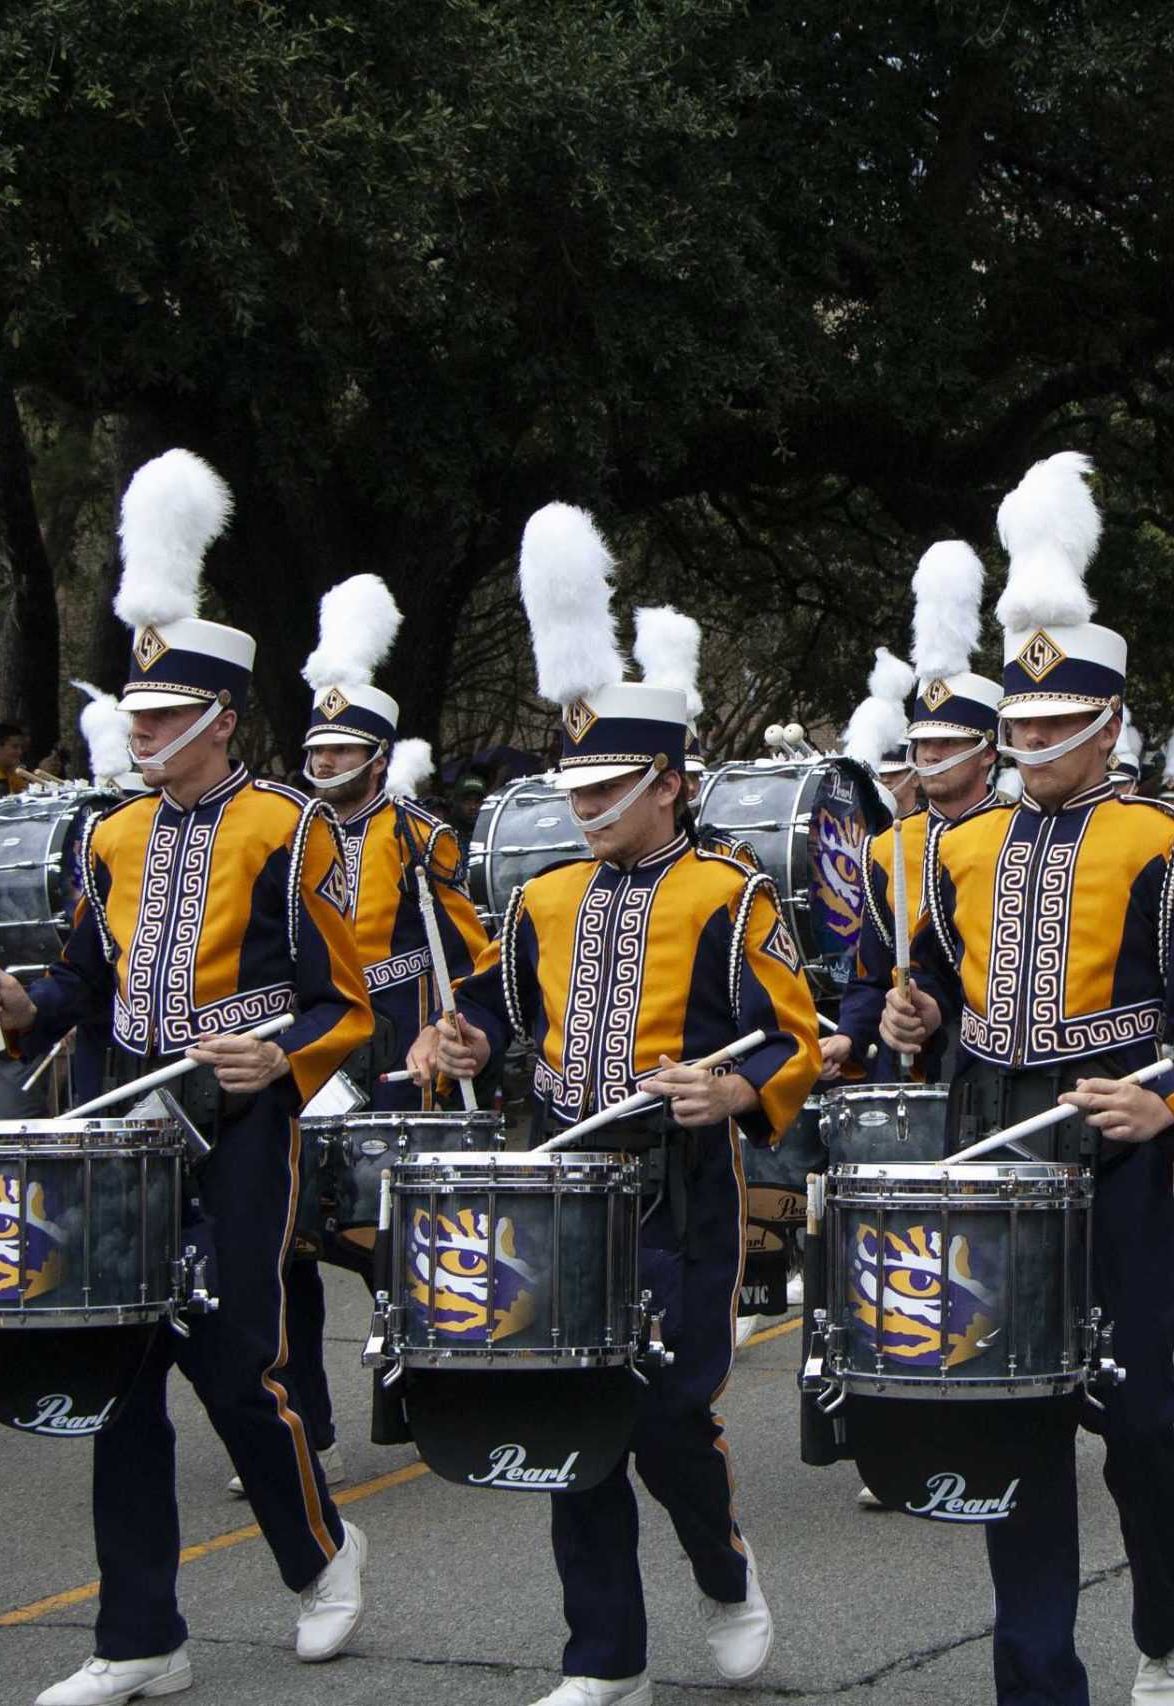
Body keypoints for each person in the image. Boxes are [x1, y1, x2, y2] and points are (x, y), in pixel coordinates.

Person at [0, 452, 375, 1705]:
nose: (134, 733)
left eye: (154, 718)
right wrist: (23, 1000)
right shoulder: (110, 833)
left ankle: (320, 1551)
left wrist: (276, 1058)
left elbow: (341, 1002)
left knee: (232, 1358)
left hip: (241, 1122)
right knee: (117, 1371)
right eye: (133, 717)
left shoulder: (290, 827)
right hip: (126, 1125)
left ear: (216, 721)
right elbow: (85, 978)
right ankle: (140, 1635)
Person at [411, 501, 819, 1706]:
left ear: (670, 784)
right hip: (563, 1183)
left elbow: (796, 1034)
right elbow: (497, 1012)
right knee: (572, 1414)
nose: (585, 804)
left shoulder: (732, 895)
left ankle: (724, 1565)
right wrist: (460, 1032)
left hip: (680, 1185)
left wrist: (730, 1084)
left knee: (666, 1416)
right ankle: (604, 1656)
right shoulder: (536, 898)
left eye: (610, 784)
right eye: (575, 783)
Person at [878, 451, 1174, 1706]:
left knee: (1139, 1416)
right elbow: (929, 994)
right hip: (994, 1140)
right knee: (1014, 1407)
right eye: (1018, 727)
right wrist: (910, 1015)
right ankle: (1038, 1677)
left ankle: (1165, 1615)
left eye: (1052, 728)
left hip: (1123, 1145)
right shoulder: (955, 845)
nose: (1030, 747)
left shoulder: (1164, 840)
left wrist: (1170, 1102)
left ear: (1106, 726)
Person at [261, 572, 491, 1488]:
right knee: (290, 1234)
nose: (323, 763)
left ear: (378, 753)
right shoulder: (281, 834)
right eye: (316, 749)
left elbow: (469, 953)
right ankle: (302, 1420)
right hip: (314, 1038)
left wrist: (450, 1025)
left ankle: (425, 1391)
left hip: (397, 1038)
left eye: (342, 749)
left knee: (387, 1234)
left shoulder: (422, 833)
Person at [831, 541, 1003, 1083]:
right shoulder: (888, 846)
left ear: (989, 752)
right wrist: (849, 1034)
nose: (929, 754)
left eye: (949, 742)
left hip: (990, 1065)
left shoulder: (1019, 833)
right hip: (905, 1075)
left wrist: (938, 1009)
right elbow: (870, 974)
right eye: (923, 740)